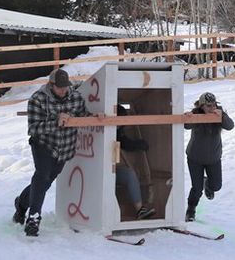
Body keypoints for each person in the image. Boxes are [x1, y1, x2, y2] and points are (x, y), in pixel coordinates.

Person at [12, 69, 99, 237]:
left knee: (45, 183)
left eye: (65, 87)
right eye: (59, 87)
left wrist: (95, 117)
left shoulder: (75, 97)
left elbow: (82, 115)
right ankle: (33, 219)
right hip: (43, 145)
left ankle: (21, 204)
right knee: (42, 176)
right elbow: (33, 128)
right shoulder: (38, 99)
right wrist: (56, 122)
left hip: (65, 148)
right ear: (51, 85)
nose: (63, 90)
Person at [184, 92, 234, 222]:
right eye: (207, 106)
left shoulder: (219, 113)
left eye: (213, 105)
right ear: (201, 106)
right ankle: (191, 210)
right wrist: (188, 117)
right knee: (197, 188)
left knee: (217, 186)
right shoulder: (197, 114)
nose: (211, 108)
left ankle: (208, 183)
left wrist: (222, 116)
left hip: (213, 158)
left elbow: (230, 126)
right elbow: (186, 125)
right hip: (195, 157)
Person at [116, 105, 156, 220]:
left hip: (113, 170)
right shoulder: (108, 128)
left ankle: (140, 210)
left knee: (130, 175)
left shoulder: (118, 130)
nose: (121, 123)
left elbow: (123, 142)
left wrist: (138, 144)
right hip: (100, 171)